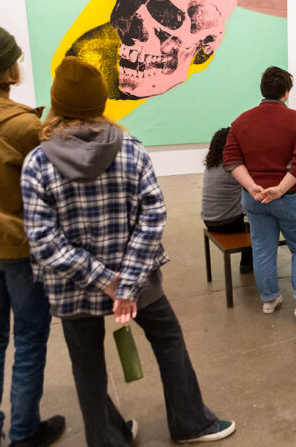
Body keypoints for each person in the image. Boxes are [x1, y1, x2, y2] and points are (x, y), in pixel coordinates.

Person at [21, 57, 234, 446]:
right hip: (139, 283)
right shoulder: (132, 152)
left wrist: (104, 281)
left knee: (87, 365)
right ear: (102, 103)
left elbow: (43, 238)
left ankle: (108, 438)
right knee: (168, 339)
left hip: (73, 289)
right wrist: (126, 282)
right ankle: (190, 423)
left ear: (56, 105)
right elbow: (153, 217)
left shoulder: (37, 163)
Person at [0, 20, 65, 447]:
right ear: (3, 68)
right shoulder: (24, 128)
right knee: (29, 341)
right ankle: (25, 432)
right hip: (20, 250)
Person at [223, 66, 296, 318]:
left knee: (262, 249)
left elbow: (230, 159)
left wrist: (251, 185)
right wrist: (280, 189)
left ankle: (269, 300)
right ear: (286, 92)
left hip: (255, 199)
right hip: (293, 197)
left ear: (263, 90)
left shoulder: (241, 121)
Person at [201, 127, 253, 271]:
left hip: (210, 221)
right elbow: (254, 185)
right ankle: (251, 263)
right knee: (260, 216)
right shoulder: (232, 167)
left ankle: (247, 262)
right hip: (228, 222)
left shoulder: (210, 166)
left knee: (246, 209)